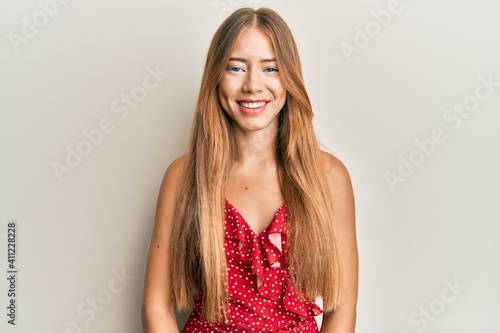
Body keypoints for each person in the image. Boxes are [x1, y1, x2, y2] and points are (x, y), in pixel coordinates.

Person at [142, 7, 358, 333]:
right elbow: (156, 305)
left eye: (270, 68)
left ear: (290, 78)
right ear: (216, 76)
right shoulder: (183, 176)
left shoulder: (329, 177)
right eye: (236, 68)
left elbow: (342, 309)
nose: (253, 85)